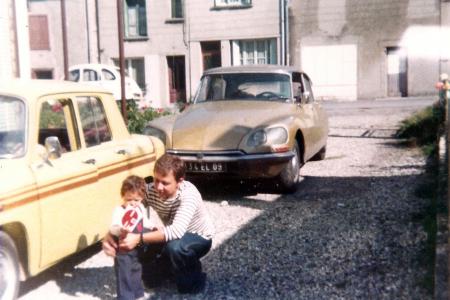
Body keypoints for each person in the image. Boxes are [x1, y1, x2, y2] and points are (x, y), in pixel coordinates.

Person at [103, 154, 214, 295]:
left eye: (165, 183)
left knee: (175, 247)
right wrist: (110, 236)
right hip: (171, 235)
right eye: (156, 180)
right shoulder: (150, 190)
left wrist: (139, 238)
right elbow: (128, 212)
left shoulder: (189, 195)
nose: (158, 187)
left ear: (179, 181)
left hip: (198, 237)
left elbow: (176, 232)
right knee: (134, 236)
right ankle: (158, 274)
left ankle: (196, 282)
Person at [110, 175, 155, 300]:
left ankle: (137, 293)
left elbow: (145, 221)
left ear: (141, 199)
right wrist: (120, 230)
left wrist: (152, 227)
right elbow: (113, 227)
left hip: (137, 245)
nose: (133, 203)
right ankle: (125, 297)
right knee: (123, 272)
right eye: (129, 199)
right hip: (123, 247)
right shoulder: (120, 210)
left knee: (136, 268)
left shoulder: (140, 208)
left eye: (137, 200)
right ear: (123, 196)